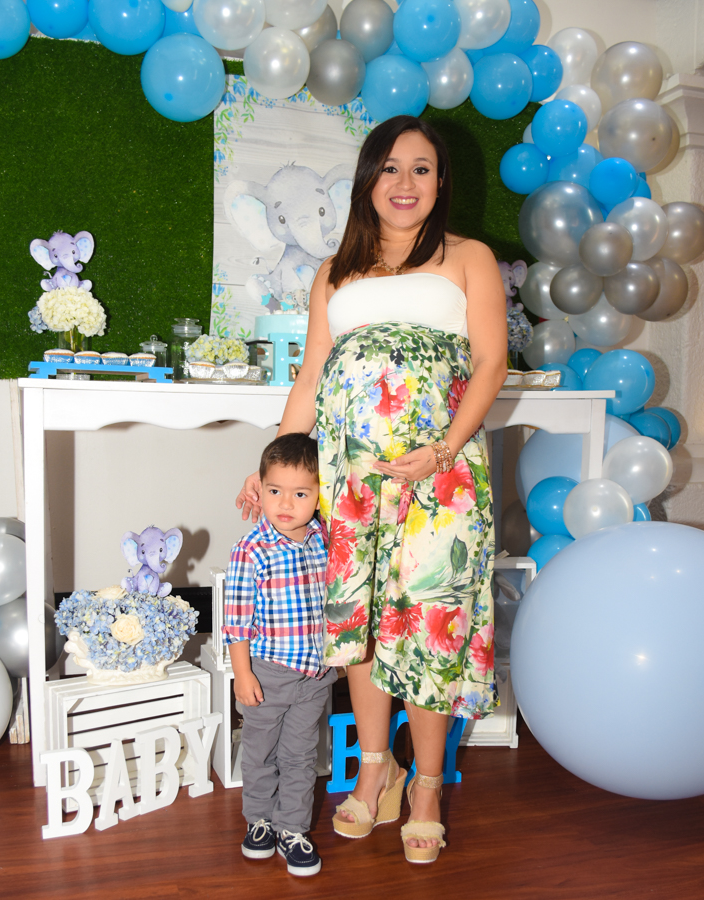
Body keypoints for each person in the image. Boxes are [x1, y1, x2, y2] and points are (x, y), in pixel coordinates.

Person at [237, 115, 507, 864]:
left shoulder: (469, 258)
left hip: (442, 476)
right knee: (355, 624)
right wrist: (272, 469)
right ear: (367, 180)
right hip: (350, 480)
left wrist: (443, 449)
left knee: (427, 626)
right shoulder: (334, 271)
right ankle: (374, 772)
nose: (405, 182)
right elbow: (310, 376)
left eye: (422, 168)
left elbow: (490, 365)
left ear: (440, 182)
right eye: (390, 167)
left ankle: (427, 787)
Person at [224, 433, 337, 877]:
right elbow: (236, 620)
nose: (285, 503)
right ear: (260, 487)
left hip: (314, 674)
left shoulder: (323, 539)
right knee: (260, 751)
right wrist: (242, 674)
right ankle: (259, 820)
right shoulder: (251, 551)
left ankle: (292, 828)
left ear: (319, 495)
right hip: (267, 673)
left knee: (300, 755)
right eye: (275, 491)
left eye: (300, 494)